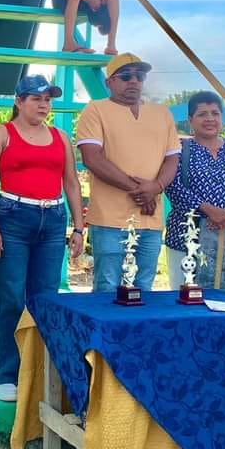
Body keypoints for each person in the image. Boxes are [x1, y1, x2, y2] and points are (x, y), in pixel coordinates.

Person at [0, 75, 85, 402]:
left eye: (47, 99)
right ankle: (6, 373)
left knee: (46, 298)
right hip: (12, 216)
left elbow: (71, 182)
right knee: (10, 297)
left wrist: (79, 227)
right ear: (19, 101)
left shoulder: (60, 137)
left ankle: (40, 371)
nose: (43, 105)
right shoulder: (1, 134)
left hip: (52, 218)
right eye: (36, 98)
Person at [75, 53, 181, 291]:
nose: (133, 81)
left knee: (144, 286)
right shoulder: (96, 110)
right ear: (109, 82)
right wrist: (142, 191)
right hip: (110, 219)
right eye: (125, 76)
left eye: (139, 76)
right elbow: (92, 158)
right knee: (107, 286)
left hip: (150, 218)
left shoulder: (162, 114)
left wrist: (156, 187)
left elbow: (172, 158)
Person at [164, 91, 225, 293]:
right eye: (202, 114)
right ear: (190, 120)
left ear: (222, 118)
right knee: (186, 297)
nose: (210, 119)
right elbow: (172, 185)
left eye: (215, 113)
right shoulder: (179, 148)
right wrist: (208, 210)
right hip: (187, 238)